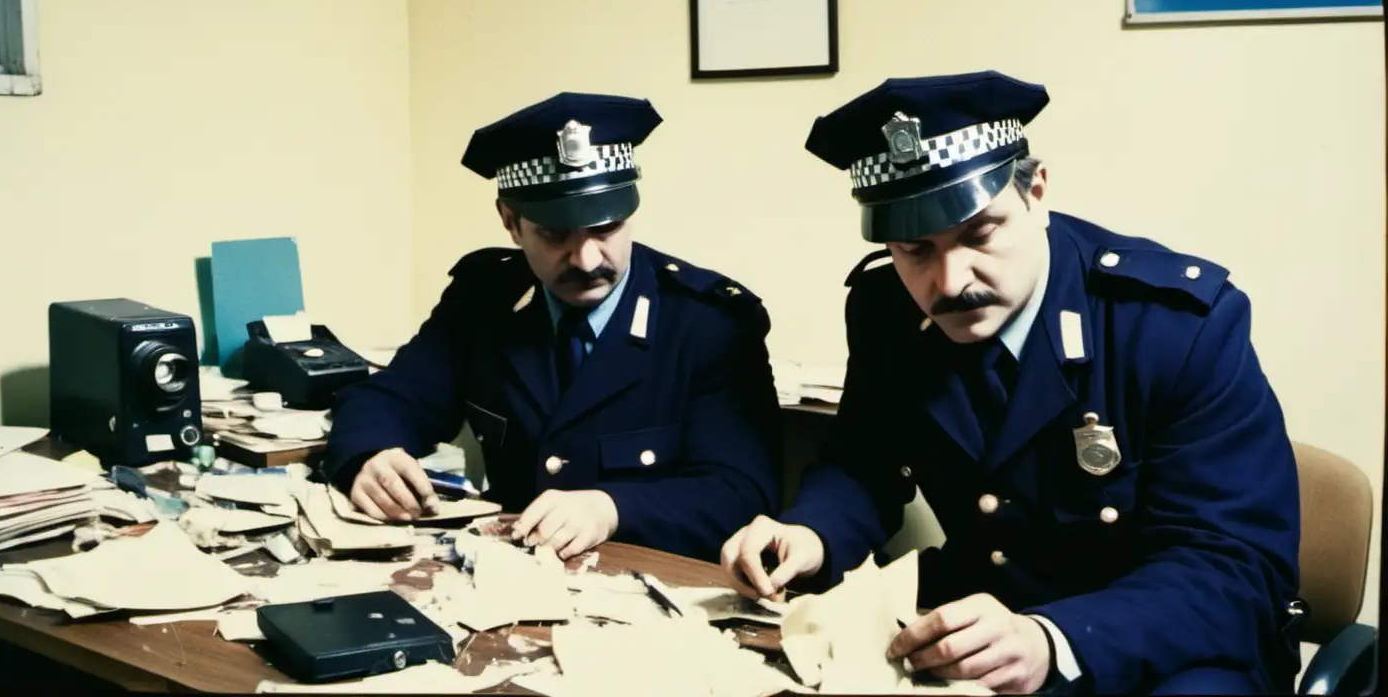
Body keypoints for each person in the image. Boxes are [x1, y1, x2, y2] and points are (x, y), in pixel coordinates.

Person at [718, 71, 1301, 694]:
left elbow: (1233, 569)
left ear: (1036, 192)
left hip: (1163, 643)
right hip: (982, 622)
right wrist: (810, 532)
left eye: (980, 234)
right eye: (914, 249)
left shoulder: (1173, 325)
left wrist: (1054, 639)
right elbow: (865, 460)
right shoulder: (886, 309)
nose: (950, 281)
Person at [324, 91, 781, 563]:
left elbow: (743, 491)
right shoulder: (484, 297)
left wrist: (613, 509)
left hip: (652, 581)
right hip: (509, 577)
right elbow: (390, 397)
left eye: (605, 229)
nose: (586, 259)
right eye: (556, 234)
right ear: (511, 222)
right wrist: (369, 457)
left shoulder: (709, 322)